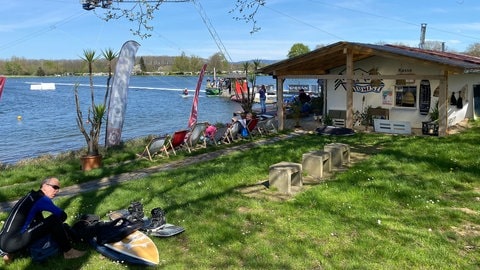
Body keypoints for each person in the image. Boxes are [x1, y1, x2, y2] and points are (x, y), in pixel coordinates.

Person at [0, 177, 85, 263]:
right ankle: (69, 252)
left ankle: (9, 254)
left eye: (58, 188)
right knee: (54, 220)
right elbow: (63, 216)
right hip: (14, 241)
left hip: (3, 241)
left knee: (39, 219)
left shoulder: (30, 196)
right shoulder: (42, 199)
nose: (57, 191)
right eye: (54, 187)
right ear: (44, 186)